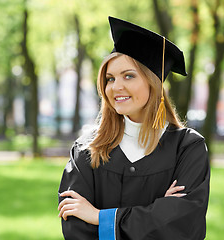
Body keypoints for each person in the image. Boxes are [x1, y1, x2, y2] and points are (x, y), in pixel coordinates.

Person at [57, 16, 210, 240]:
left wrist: (100, 217)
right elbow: (76, 229)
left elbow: (182, 226)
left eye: (128, 76)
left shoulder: (187, 149)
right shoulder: (86, 149)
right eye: (109, 79)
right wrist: (155, 211)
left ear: (153, 83)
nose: (116, 87)